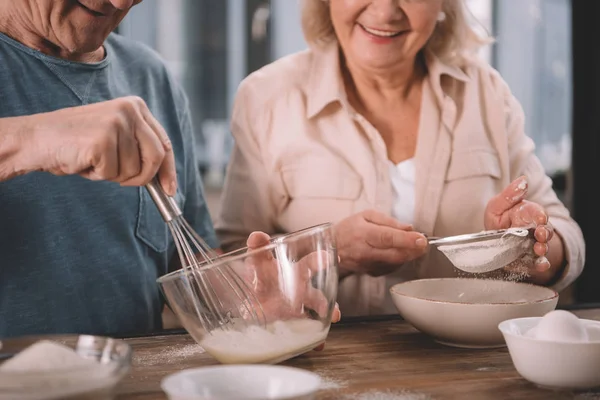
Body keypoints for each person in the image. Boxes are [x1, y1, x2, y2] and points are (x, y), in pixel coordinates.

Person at [215, 0, 586, 316]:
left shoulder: (487, 93)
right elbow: (230, 264)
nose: (385, 10)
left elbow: (565, 236)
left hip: (469, 367)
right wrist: (332, 250)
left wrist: (526, 248)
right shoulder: (265, 97)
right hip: (322, 360)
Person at [0, 0, 339, 339]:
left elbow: (186, 256)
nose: (120, 2)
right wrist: (33, 138)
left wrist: (250, 301)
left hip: (130, 385)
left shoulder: (147, 75)